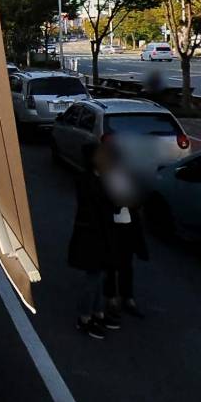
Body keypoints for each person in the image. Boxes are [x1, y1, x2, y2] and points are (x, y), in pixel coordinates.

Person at [67, 143, 122, 339]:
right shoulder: (87, 181)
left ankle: (97, 313)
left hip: (104, 235)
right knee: (93, 277)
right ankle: (84, 318)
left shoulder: (102, 179)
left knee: (100, 276)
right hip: (91, 236)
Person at [102, 154, 148, 320]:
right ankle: (112, 299)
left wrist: (130, 201)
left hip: (128, 227)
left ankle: (127, 297)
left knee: (126, 265)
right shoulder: (104, 179)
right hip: (112, 228)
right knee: (111, 265)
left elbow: (138, 199)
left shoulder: (129, 177)